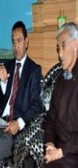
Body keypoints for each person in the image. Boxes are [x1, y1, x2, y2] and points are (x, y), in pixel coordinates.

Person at [0, 21, 42, 168]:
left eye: (19, 41)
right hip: (0, 122)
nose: (16, 46)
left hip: (14, 130)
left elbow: (37, 104)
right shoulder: (7, 66)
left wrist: (19, 123)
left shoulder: (34, 70)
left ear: (26, 42)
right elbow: (1, 103)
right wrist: (3, 83)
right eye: (13, 42)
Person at [44, 22, 78, 167]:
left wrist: (61, 151)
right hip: (58, 152)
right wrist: (50, 144)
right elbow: (50, 119)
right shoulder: (59, 80)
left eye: (63, 46)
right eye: (58, 48)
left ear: (76, 44)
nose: (60, 54)